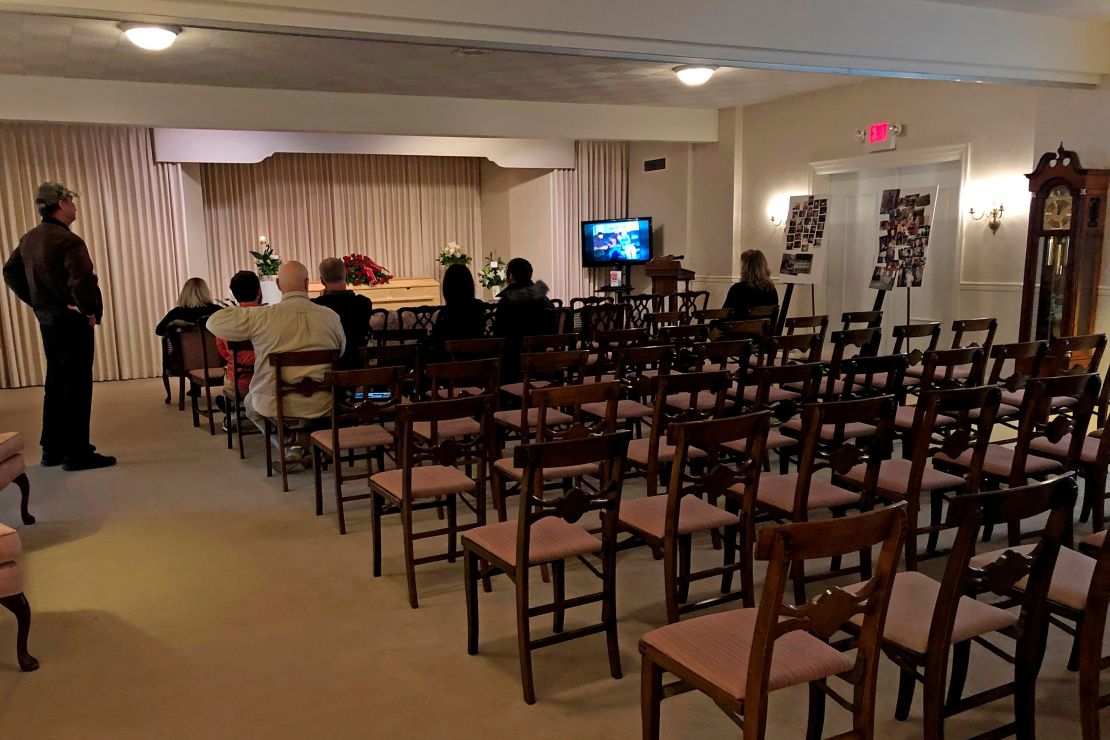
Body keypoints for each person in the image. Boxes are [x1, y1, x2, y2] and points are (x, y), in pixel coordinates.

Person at [2, 182, 115, 470]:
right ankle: (77, 452)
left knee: (56, 384)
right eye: (71, 201)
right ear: (61, 204)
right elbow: (82, 281)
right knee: (77, 385)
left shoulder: (30, 238)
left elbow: (10, 272)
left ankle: (52, 449)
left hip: (49, 321)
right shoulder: (68, 241)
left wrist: (39, 303)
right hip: (72, 323)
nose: (75, 206)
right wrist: (89, 310)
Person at [207, 261, 345, 468]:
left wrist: (247, 311)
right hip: (323, 401)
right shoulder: (331, 317)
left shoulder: (264, 316)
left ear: (279, 285)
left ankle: (289, 447)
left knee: (251, 405)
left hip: (276, 402)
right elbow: (341, 351)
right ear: (307, 283)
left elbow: (213, 322)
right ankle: (306, 444)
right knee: (304, 405)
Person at [493, 257, 556, 381]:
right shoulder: (545, 300)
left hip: (513, 363)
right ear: (530, 274)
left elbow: (499, 334)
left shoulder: (507, 302)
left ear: (510, 276)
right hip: (540, 358)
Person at [311, 257, 372, 370]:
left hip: (327, 369)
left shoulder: (315, 306)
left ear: (322, 281)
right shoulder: (364, 303)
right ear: (347, 276)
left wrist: (322, 298)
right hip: (357, 368)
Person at [214, 270, 261, 406]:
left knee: (229, 367)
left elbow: (223, 351)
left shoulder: (226, 320)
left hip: (239, 384)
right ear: (259, 292)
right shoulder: (270, 317)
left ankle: (232, 405)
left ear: (234, 295)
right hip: (267, 382)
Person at [428, 263, 486, 359]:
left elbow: (438, 345)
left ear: (447, 288)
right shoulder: (478, 308)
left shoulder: (445, 315)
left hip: (452, 369)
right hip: (478, 365)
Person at [723, 249, 779, 320]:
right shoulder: (771, 290)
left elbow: (724, 317)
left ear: (746, 268)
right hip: (764, 330)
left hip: (739, 330)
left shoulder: (737, 289)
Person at [155, 278, 222, 336]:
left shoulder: (176, 313)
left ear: (185, 293)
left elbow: (159, 331)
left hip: (183, 350)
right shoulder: (216, 310)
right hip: (213, 350)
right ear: (206, 292)